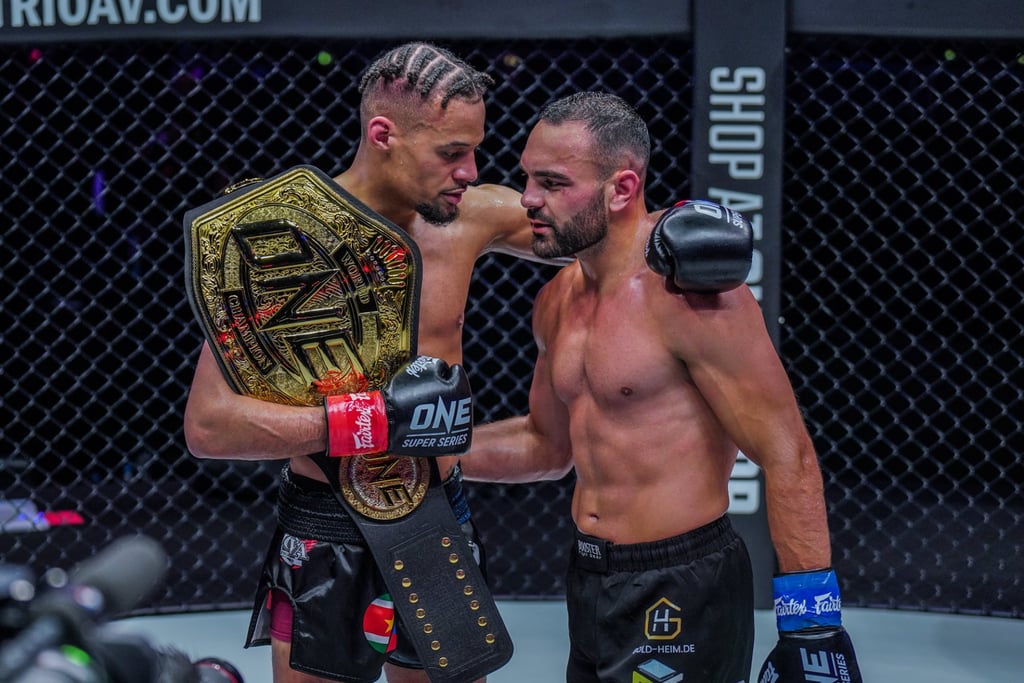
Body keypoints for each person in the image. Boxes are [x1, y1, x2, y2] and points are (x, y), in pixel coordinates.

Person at [183, 42, 564, 683]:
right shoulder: (282, 243)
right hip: (325, 521)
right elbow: (210, 426)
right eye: (451, 152)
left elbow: (593, 231)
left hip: (436, 514)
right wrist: (373, 418)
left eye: (474, 149)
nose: (471, 171)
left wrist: (668, 231)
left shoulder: (470, 219)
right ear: (382, 133)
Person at [457, 92, 862, 683]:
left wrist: (811, 624)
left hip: (686, 582)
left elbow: (786, 452)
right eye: (527, 177)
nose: (529, 200)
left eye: (552, 182)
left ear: (621, 189)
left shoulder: (693, 300)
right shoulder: (555, 302)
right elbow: (547, 448)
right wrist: (419, 450)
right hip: (589, 575)